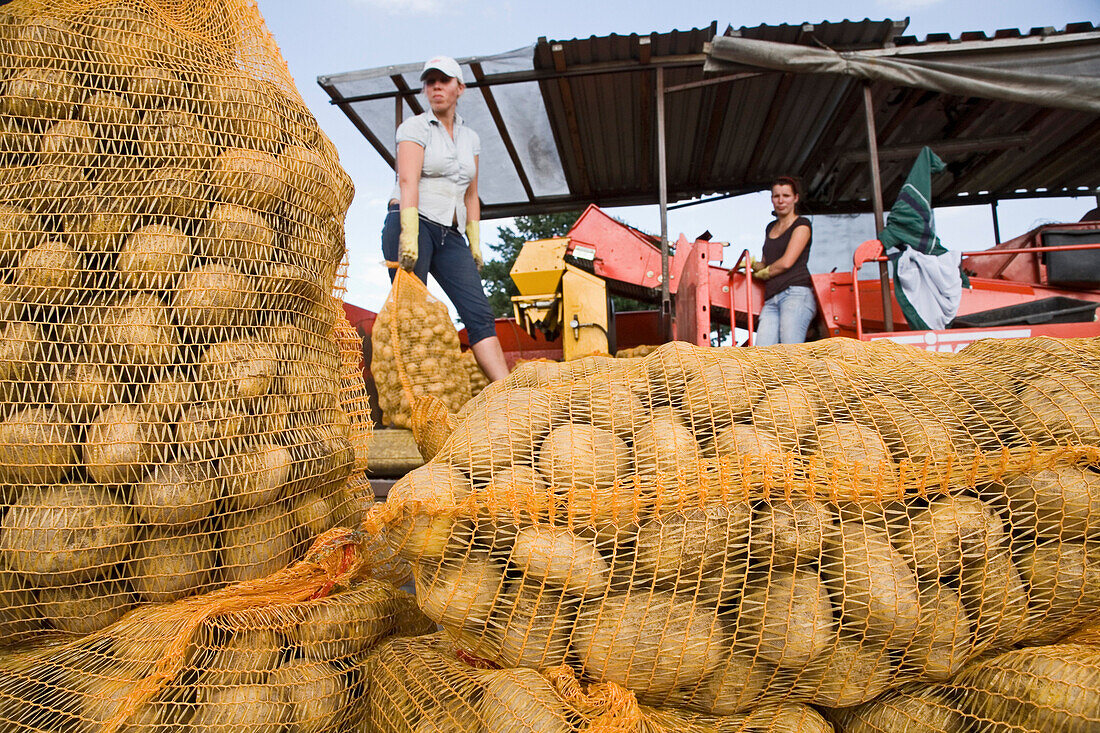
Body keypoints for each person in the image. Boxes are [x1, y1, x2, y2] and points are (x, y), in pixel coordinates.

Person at [381, 55, 509, 381]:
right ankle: (412, 395)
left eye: (444, 80)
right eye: (430, 81)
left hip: (450, 234)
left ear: (460, 88)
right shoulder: (414, 127)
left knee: (479, 312)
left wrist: (475, 242)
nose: (436, 86)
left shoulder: (471, 138)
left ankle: (509, 392)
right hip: (412, 222)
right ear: (425, 88)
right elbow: (408, 180)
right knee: (413, 315)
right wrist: (408, 235)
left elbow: (470, 194)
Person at [751, 176, 817, 346]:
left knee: (790, 353)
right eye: (776, 196)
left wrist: (765, 272)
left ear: (795, 198)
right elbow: (766, 262)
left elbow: (786, 262)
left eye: (786, 196)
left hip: (795, 294)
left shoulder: (802, 225)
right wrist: (753, 265)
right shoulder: (769, 227)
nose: (781, 201)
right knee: (761, 355)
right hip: (771, 298)